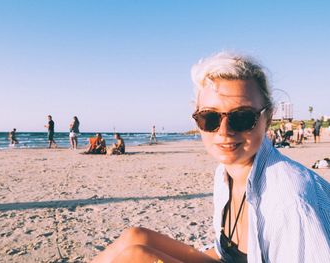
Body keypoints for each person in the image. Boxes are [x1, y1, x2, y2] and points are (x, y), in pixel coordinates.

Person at [91, 51, 330, 263]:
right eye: (210, 118)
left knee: (137, 258)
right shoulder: (225, 172)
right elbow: (226, 254)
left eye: (243, 117)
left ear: (268, 118)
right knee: (135, 237)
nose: (224, 132)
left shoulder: (290, 200)